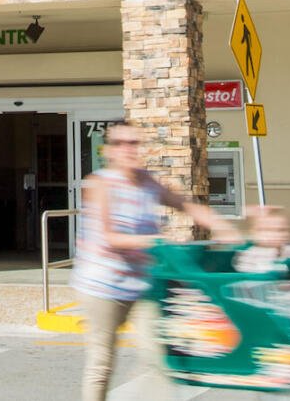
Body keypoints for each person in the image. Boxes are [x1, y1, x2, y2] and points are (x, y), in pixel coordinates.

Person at [76, 122, 241, 401]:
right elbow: (108, 236)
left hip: (141, 285)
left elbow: (185, 205)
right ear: (108, 150)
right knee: (102, 362)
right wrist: (153, 242)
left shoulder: (147, 181)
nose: (127, 149)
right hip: (102, 287)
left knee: (160, 357)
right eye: (120, 144)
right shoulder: (100, 183)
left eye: (133, 143)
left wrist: (221, 225)